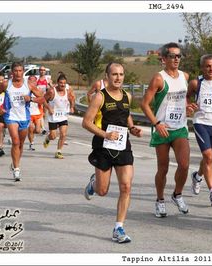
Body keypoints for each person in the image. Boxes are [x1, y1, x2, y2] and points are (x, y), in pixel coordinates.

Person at [82, 62, 143, 244]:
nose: (118, 78)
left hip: (123, 145)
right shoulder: (100, 97)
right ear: (107, 76)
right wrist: (106, 134)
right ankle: (94, 183)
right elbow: (86, 122)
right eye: (114, 74)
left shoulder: (127, 96)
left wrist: (132, 128)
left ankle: (118, 227)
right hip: (103, 146)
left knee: (126, 186)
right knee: (102, 191)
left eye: (121, 74)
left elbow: (125, 114)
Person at [141, 42, 197, 218]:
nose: (176, 59)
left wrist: (188, 106)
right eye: (173, 56)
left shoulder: (185, 76)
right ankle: (159, 200)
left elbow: (183, 98)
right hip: (163, 129)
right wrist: (157, 124)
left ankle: (177, 194)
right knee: (163, 168)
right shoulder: (159, 78)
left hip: (180, 128)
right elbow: (144, 104)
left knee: (185, 164)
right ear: (164, 59)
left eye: (179, 56)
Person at [0, 62, 45, 181]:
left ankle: (15, 163)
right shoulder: (7, 84)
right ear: (11, 72)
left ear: (23, 71)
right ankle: (17, 169)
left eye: (20, 70)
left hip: (24, 118)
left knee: (20, 144)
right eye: (15, 70)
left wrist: (31, 98)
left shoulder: (29, 85)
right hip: (11, 116)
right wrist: (0, 109)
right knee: (15, 141)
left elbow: (42, 98)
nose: (18, 73)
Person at [187, 54, 212, 206]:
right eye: (207, 66)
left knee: (209, 159)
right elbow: (187, 97)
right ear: (202, 67)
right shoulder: (196, 83)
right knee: (208, 156)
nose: (210, 69)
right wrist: (190, 106)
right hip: (201, 123)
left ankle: (197, 176)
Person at [42, 74, 75, 159]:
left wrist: (71, 107)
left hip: (63, 116)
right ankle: (48, 138)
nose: (62, 85)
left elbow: (72, 99)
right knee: (53, 136)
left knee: (63, 134)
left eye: (64, 83)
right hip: (53, 117)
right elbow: (43, 100)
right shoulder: (52, 91)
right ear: (57, 83)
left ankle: (59, 151)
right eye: (61, 83)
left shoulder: (68, 91)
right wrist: (49, 108)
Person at [27, 75, 43, 151]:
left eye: (34, 81)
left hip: (37, 113)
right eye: (30, 80)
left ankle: (30, 133)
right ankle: (31, 143)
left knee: (38, 130)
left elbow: (42, 99)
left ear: (36, 82)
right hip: (28, 113)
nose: (32, 82)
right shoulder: (26, 90)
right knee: (31, 128)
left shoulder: (39, 90)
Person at [37, 65, 52, 135]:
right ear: (39, 71)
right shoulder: (37, 79)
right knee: (39, 113)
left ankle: (42, 126)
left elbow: (52, 88)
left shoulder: (47, 79)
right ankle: (42, 127)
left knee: (43, 114)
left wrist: (49, 85)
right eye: (41, 70)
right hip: (38, 99)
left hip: (45, 99)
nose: (42, 71)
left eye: (43, 70)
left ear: (45, 71)